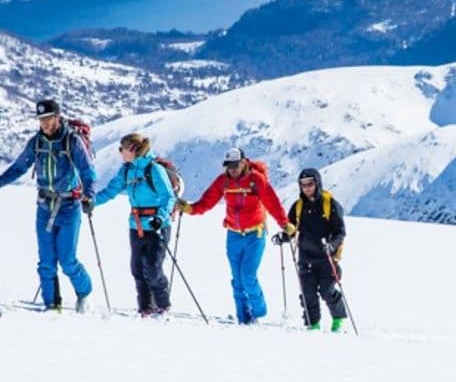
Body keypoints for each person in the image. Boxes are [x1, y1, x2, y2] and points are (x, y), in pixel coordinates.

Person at [0, 97, 96, 313]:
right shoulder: (36, 143)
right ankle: (51, 306)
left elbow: (87, 171)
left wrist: (89, 195)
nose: (44, 123)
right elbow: (20, 167)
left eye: (48, 118)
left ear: (57, 117)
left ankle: (84, 292)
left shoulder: (72, 141)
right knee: (46, 261)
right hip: (44, 205)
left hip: (69, 206)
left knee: (67, 260)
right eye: (41, 119)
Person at [178, 145, 288, 324]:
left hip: (255, 234)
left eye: (236, 165)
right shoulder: (223, 181)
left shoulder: (256, 180)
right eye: (229, 166)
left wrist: (285, 224)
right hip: (233, 235)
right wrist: (190, 209)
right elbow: (208, 200)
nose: (232, 169)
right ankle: (243, 319)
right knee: (237, 279)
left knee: (248, 276)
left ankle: (258, 312)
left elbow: (273, 203)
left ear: (244, 163)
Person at [95, 131, 176, 317]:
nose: (120, 152)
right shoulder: (126, 170)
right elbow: (110, 191)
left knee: (153, 268)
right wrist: (90, 202)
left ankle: (163, 307)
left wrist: (160, 218)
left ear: (132, 149)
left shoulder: (154, 169)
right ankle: (145, 309)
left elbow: (168, 196)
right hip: (136, 225)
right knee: (138, 269)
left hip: (157, 225)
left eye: (121, 149)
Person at [276, 166, 348, 332]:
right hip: (305, 257)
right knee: (308, 294)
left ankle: (338, 319)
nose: (307, 187)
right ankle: (312, 324)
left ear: (317, 183)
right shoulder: (298, 206)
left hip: (327, 257)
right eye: (303, 184)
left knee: (327, 291)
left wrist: (331, 245)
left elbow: (340, 231)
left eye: (310, 183)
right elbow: (292, 227)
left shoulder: (330, 204)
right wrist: (284, 237)